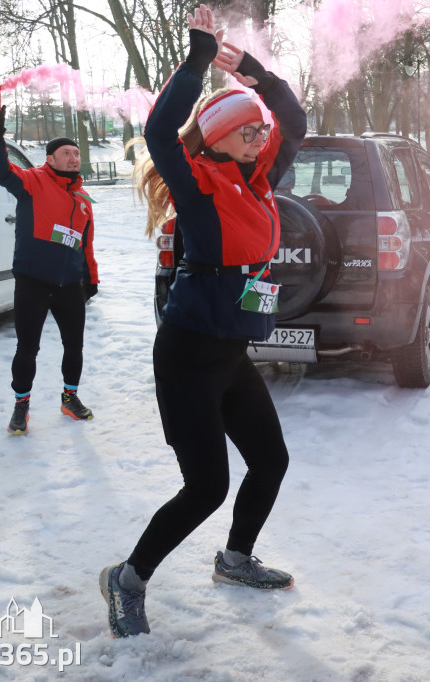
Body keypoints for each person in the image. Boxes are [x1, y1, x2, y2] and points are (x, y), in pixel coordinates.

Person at [98, 3, 307, 638]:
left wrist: (254, 74)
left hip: (230, 356)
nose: (259, 134)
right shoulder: (199, 184)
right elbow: (162, 131)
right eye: (247, 129)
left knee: (270, 461)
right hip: (188, 356)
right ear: (217, 136)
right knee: (206, 487)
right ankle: (127, 579)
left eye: (257, 129)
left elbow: (293, 121)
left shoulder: (261, 181)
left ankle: (235, 558)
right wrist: (196, 59)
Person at [0, 96, 99, 434]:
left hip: (70, 285)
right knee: (27, 348)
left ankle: (70, 398)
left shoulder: (82, 200)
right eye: (67, 153)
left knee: (74, 345)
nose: (74, 157)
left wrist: (90, 278)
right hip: (34, 281)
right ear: (50, 158)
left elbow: (86, 244)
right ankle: (21, 405)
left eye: (77, 153)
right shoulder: (33, 182)